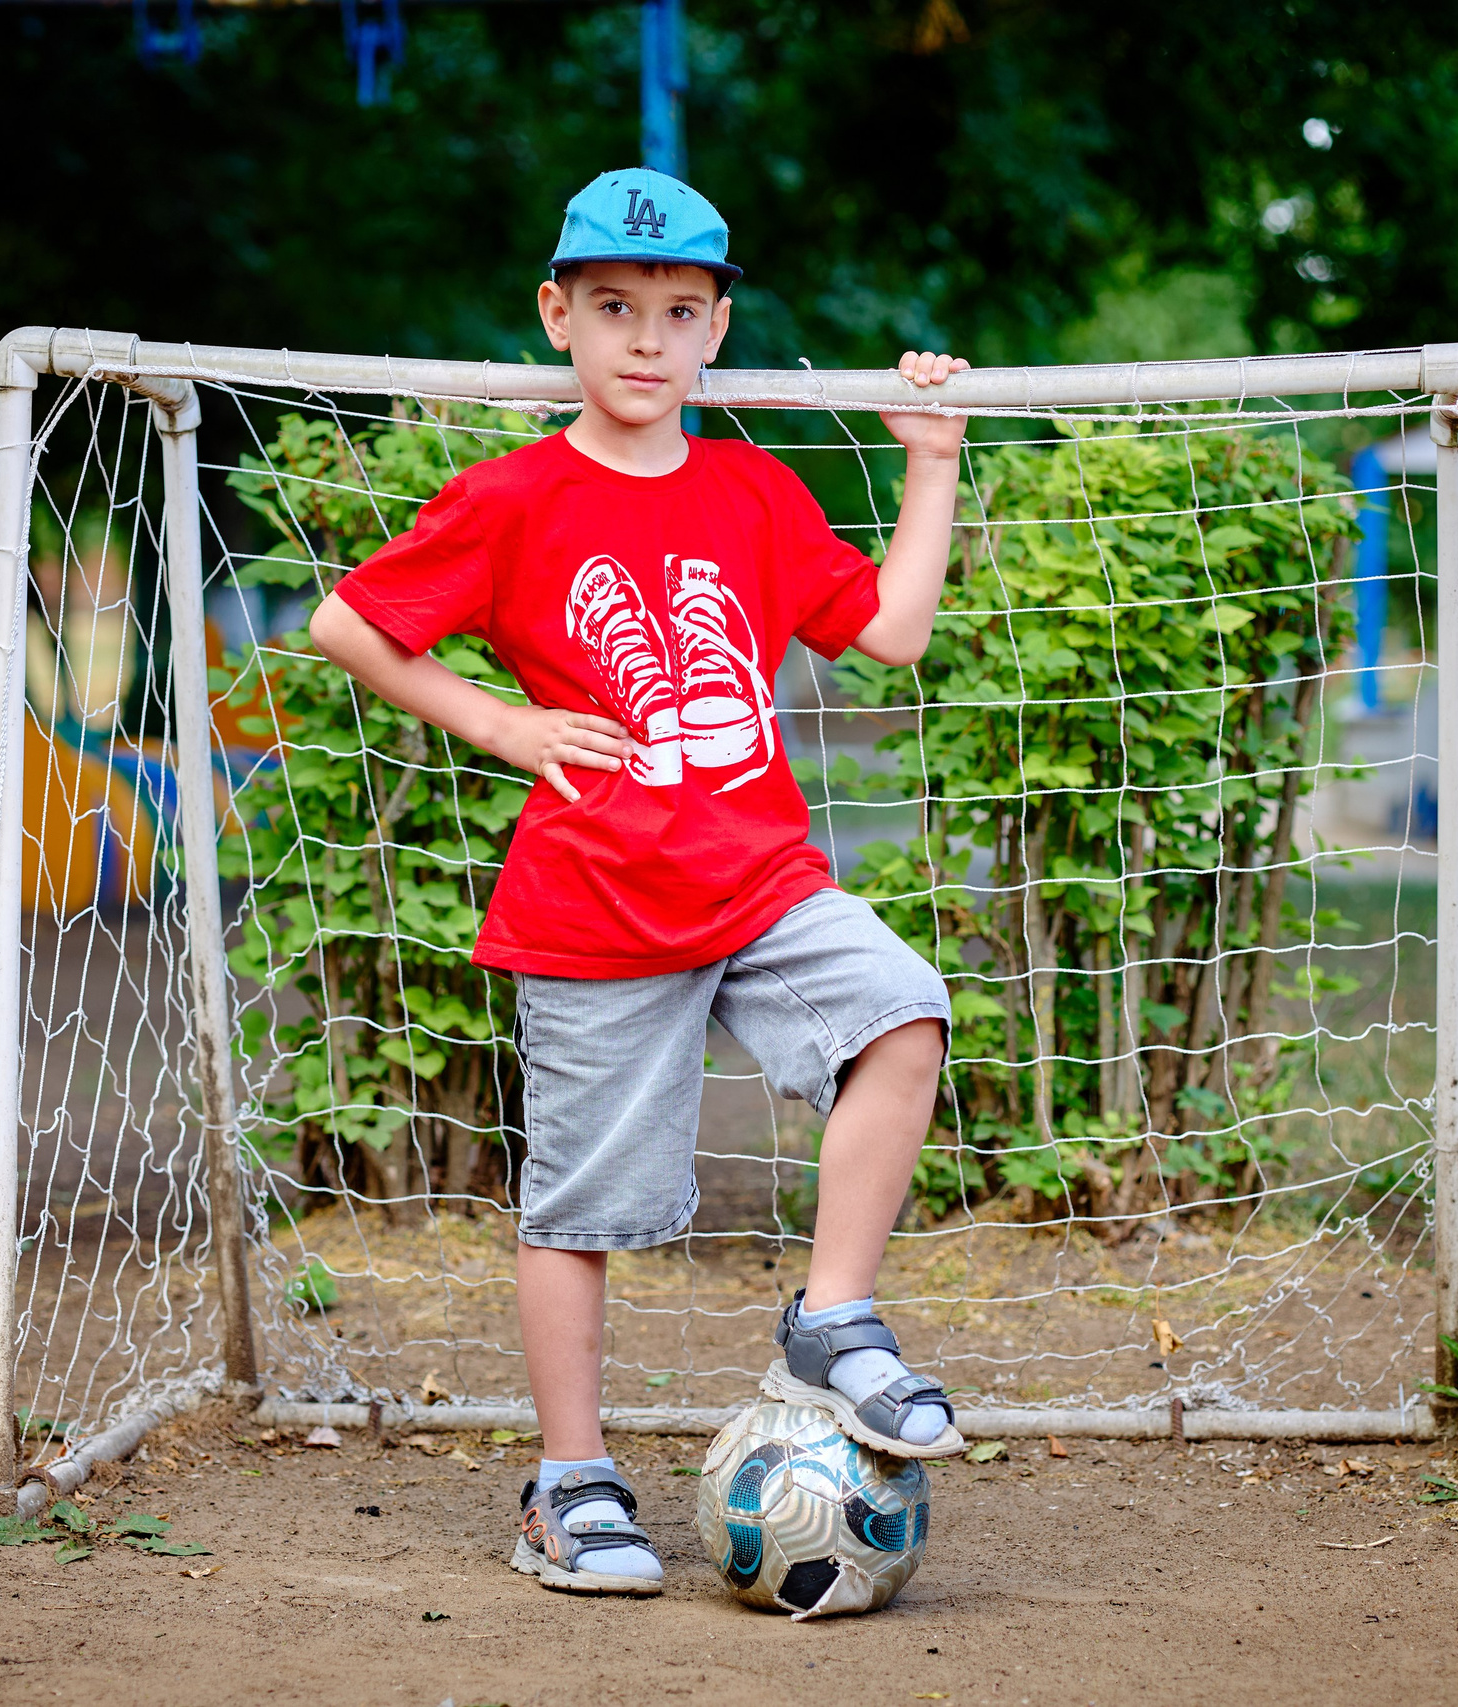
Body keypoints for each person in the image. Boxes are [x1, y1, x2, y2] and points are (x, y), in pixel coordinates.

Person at [308, 166, 969, 1598]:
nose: (646, 341)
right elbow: (346, 620)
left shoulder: (754, 487)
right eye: (614, 308)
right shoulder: (513, 496)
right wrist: (502, 722)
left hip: (760, 880)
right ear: (559, 316)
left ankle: (835, 1319)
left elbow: (895, 634)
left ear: (717, 328)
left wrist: (931, 459)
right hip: (596, 906)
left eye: (679, 312)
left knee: (902, 1012)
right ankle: (571, 1482)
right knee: (585, 1208)